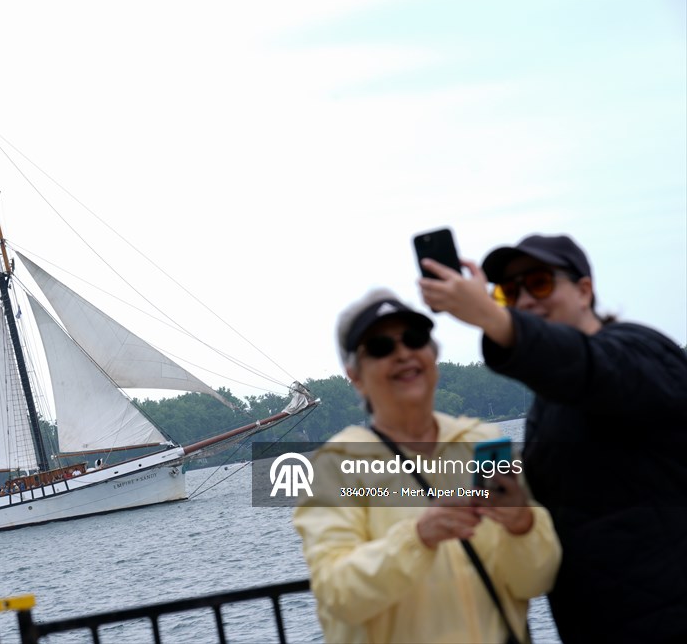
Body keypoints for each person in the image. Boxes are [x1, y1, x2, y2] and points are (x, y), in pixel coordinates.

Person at [418, 233, 687, 642]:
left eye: (539, 283)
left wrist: (494, 318)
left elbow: (592, 369)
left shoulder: (641, 350)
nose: (526, 301)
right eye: (510, 293)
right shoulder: (551, 403)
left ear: (584, 290)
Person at [294, 289, 560, 643]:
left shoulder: (482, 441)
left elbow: (535, 580)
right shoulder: (335, 467)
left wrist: (522, 524)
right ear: (355, 376)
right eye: (380, 347)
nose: (403, 353)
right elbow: (337, 594)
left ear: (433, 354)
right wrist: (418, 538)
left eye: (414, 338)